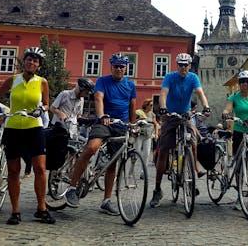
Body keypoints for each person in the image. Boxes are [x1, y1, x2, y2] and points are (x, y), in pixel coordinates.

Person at [0, 47, 55, 225]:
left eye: (35, 61)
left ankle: (41, 208)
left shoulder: (42, 82)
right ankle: (15, 211)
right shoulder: (13, 79)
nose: (31, 62)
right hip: (13, 127)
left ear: (39, 65)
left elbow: (46, 104)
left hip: (34, 127)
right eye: (29, 59)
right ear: (24, 61)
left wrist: (40, 109)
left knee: (40, 169)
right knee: (14, 171)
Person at [65, 53, 136, 215]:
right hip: (104, 122)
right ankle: (72, 187)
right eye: (116, 66)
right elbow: (98, 98)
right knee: (91, 148)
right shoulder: (103, 81)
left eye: (121, 66)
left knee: (112, 163)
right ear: (111, 67)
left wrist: (132, 124)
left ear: (126, 68)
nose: (118, 69)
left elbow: (132, 105)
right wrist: (102, 115)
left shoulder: (130, 85)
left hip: (121, 125)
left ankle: (106, 200)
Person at [149, 53, 211, 208]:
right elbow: (163, 94)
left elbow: (200, 93)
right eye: (181, 65)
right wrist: (162, 108)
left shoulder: (193, 77)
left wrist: (206, 107)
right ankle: (157, 189)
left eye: (186, 65)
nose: (183, 67)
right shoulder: (170, 77)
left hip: (186, 115)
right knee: (163, 150)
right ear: (177, 65)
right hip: (170, 115)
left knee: (193, 141)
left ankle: (193, 168)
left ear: (190, 66)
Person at [222, 70, 248, 154]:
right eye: (242, 81)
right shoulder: (233, 97)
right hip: (239, 130)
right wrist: (225, 113)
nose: (245, 83)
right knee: (238, 156)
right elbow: (228, 108)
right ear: (239, 83)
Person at [134, 98, 159, 176]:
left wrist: (156, 134)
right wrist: (139, 120)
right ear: (146, 105)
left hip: (148, 136)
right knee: (136, 152)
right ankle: (131, 170)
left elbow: (156, 124)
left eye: (152, 105)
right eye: (150, 105)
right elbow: (133, 122)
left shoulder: (152, 114)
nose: (152, 107)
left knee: (147, 154)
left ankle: (143, 172)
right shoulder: (139, 112)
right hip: (139, 135)